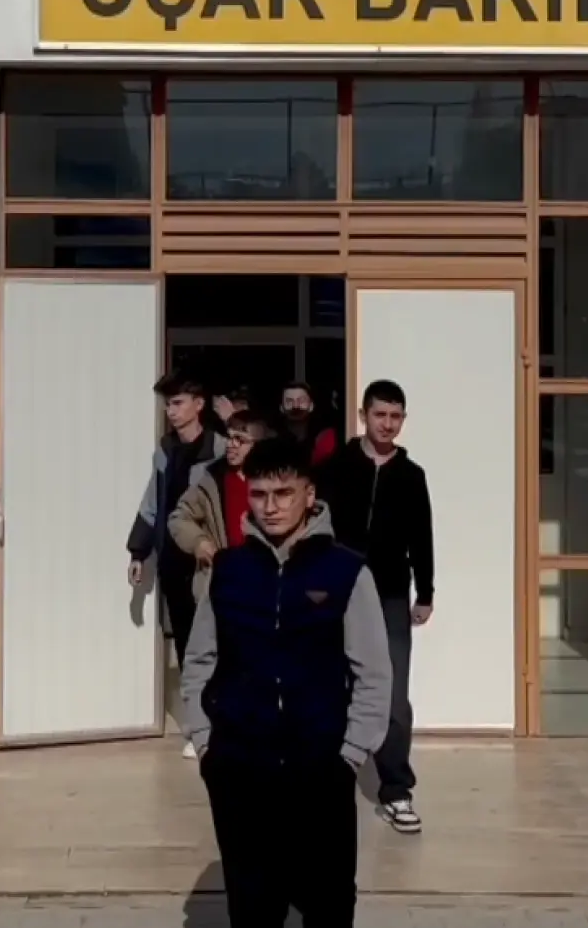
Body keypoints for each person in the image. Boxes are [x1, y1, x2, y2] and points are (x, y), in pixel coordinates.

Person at [182, 436, 391, 928]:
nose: (270, 507)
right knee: (252, 909)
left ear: (308, 495)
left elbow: (373, 673)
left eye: (283, 493)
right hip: (240, 769)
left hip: (320, 769)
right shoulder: (228, 572)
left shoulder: (345, 571)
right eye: (259, 494)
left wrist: (351, 755)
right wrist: (206, 742)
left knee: (329, 906)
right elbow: (199, 660)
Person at [318, 379, 434, 834]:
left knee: (393, 694)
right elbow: (316, 525)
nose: (387, 424)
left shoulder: (411, 475)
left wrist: (425, 593)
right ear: (363, 415)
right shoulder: (335, 468)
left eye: (395, 416)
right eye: (379, 414)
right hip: (338, 589)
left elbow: (422, 537)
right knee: (331, 686)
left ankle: (396, 790)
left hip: (389, 594)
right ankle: (328, 780)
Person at [126, 372, 226, 757]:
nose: (171, 411)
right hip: (173, 562)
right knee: (188, 645)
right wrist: (138, 552)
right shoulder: (165, 451)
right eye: (168, 404)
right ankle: (199, 726)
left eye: (178, 403)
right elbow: (152, 503)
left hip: (210, 563)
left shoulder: (219, 449)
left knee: (219, 641)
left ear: (199, 405)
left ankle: (222, 721)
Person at [168, 409, 274, 603]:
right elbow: (179, 517)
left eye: (240, 440)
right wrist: (198, 542)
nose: (231, 444)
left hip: (263, 582)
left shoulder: (272, 482)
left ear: (258, 445)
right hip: (220, 583)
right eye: (229, 437)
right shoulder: (212, 479)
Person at [279, 380, 338, 466]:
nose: (295, 406)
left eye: (301, 401)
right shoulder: (272, 443)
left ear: (311, 406)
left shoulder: (325, 438)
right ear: (281, 408)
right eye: (289, 401)